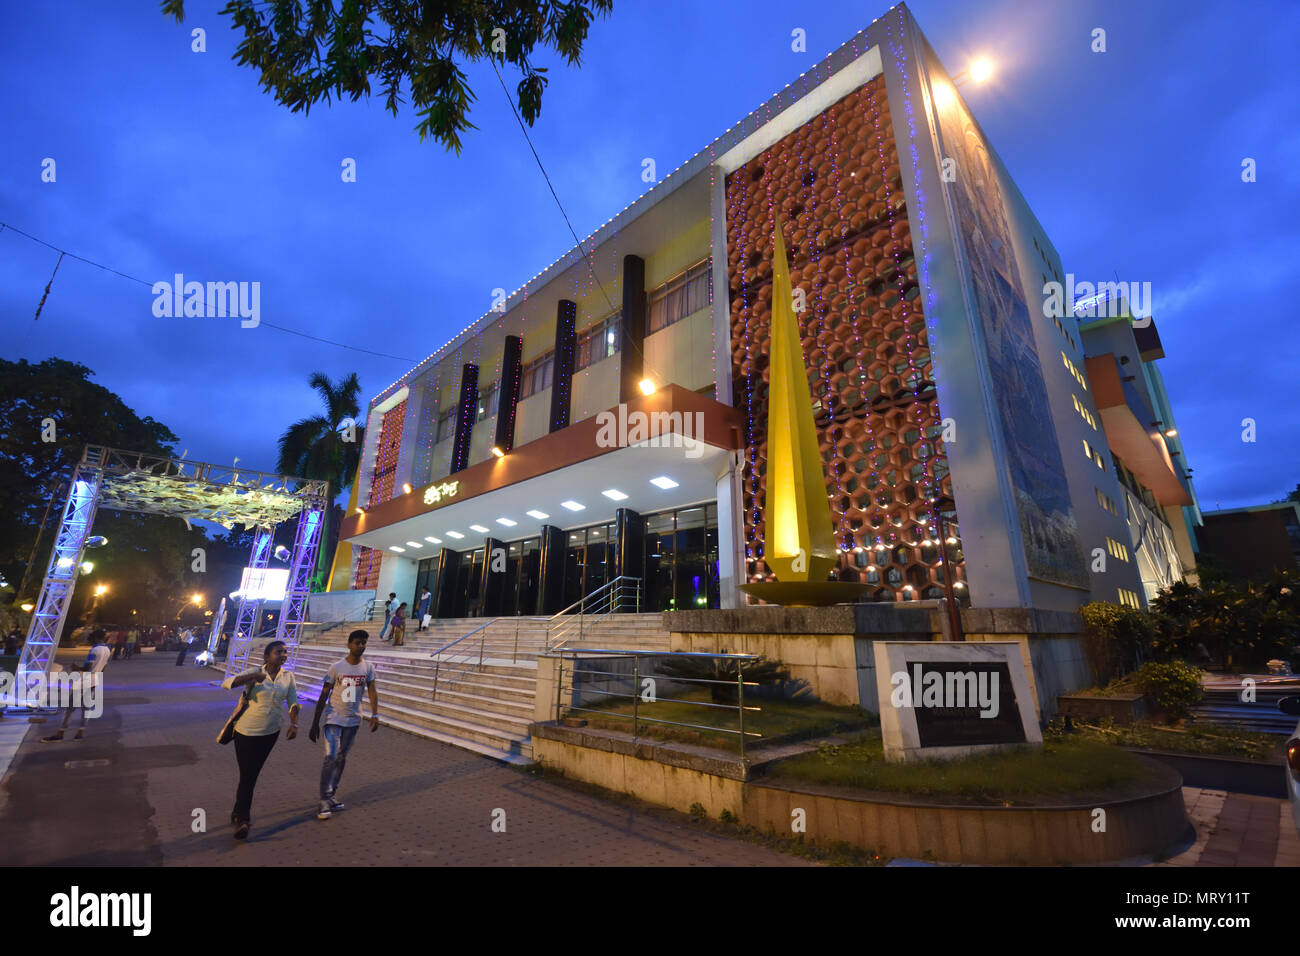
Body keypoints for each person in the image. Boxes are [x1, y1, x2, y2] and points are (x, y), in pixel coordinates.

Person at [221, 640, 300, 840]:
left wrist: (294, 723)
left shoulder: (287, 677)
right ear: (266, 657)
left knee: (250, 775)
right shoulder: (254, 672)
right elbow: (227, 683)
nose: (283, 655)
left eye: (285, 652)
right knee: (248, 775)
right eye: (278, 652)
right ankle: (243, 820)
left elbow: (293, 701)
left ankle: (238, 811)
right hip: (246, 732)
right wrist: (253, 677)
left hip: (271, 733)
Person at [309, 630, 379, 820]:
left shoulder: (368, 667)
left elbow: (372, 691)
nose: (361, 646)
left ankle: (331, 795)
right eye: (357, 642)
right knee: (330, 756)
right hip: (334, 718)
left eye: (364, 642)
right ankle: (323, 799)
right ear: (348, 644)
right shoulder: (336, 667)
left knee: (341, 758)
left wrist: (375, 713)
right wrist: (315, 722)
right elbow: (323, 694)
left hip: (354, 719)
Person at [41, 633, 111, 742]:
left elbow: (87, 667)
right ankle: (80, 733)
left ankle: (60, 734)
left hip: (83, 681)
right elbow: (104, 667)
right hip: (94, 681)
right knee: (86, 708)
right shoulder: (107, 650)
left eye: (91, 640)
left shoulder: (94, 650)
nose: (90, 642)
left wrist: (76, 668)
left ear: (96, 638)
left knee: (70, 709)